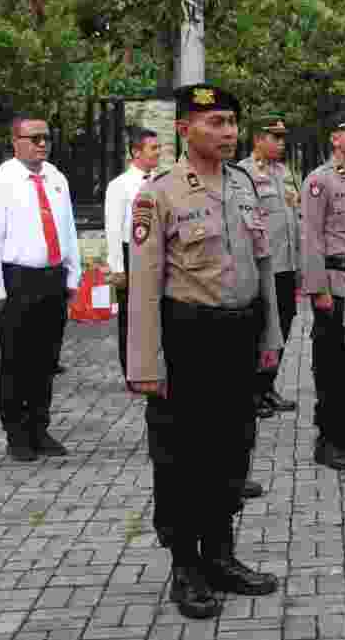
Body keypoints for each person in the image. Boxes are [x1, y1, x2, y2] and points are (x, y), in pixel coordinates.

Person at [125, 84, 282, 618]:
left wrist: (271, 336)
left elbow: (263, 269)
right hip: (187, 337)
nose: (228, 131)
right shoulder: (160, 193)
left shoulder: (243, 185)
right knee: (181, 457)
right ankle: (185, 566)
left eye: (232, 121)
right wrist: (146, 363)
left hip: (239, 334)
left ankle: (220, 555)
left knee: (232, 449)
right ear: (183, 129)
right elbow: (144, 286)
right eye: (214, 121)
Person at [0, 115, 81, 462]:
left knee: (46, 359)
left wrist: (72, 275)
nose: (42, 144)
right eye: (34, 138)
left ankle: (39, 426)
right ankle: (16, 433)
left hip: (52, 277)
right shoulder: (0, 183)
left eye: (46, 138)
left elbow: (68, 230)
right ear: (15, 141)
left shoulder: (56, 178)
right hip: (18, 279)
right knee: (17, 360)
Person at [301, 109, 345, 471]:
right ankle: (328, 440)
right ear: (335, 139)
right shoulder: (320, 181)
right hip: (336, 283)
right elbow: (311, 237)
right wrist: (318, 289)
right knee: (333, 368)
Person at [240, 114, 302, 417]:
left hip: (288, 265)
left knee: (284, 327)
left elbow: (294, 214)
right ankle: (250, 391)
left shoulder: (284, 171)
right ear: (258, 140)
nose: (280, 142)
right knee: (261, 330)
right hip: (264, 267)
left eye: (282, 137)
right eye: (274, 137)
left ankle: (267, 385)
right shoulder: (244, 173)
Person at [106, 126, 161, 380]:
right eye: (153, 148)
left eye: (159, 147)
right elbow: (114, 228)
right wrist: (118, 268)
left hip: (156, 253)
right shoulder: (120, 185)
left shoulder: (161, 181)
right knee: (130, 316)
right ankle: (131, 370)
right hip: (131, 254)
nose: (158, 153)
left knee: (156, 313)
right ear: (136, 152)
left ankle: (153, 365)